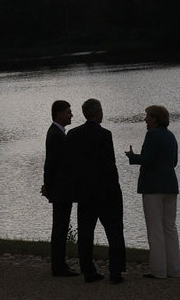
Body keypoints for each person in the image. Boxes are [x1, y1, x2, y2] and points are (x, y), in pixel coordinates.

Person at [65, 98, 126, 284]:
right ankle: (115, 272)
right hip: (105, 192)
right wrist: (116, 191)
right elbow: (109, 166)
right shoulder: (104, 134)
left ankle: (88, 270)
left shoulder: (73, 135)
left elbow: (70, 166)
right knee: (114, 232)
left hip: (84, 193)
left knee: (85, 233)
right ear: (98, 112)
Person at [125, 104, 180, 279]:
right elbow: (174, 162)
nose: (145, 120)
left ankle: (158, 270)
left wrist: (133, 157)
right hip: (171, 186)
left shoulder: (152, 135)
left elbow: (147, 159)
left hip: (153, 188)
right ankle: (174, 268)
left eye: (148, 116)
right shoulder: (171, 136)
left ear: (156, 119)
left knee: (155, 229)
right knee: (170, 228)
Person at [42, 100, 79, 277]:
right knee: (60, 227)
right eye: (68, 112)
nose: (71, 115)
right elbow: (52, 164)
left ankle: (60, 264)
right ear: (58, 114)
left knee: (61, 227)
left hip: (60, 189)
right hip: (61, 190)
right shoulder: (57, 135)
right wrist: (49, 188)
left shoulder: (57, 132)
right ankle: (58, 266)